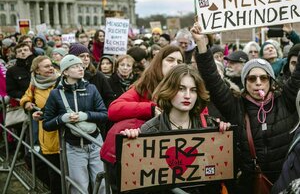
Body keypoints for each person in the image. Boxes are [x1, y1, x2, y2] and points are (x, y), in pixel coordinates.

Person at [190, 21, 300, 194]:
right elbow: (212, 79)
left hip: (286, 181)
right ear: (244, 82)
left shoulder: (285, 100)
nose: (258, 83)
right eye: (251, 78)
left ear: (271, 81)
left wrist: (294, 36)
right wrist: (201, 44)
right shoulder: (236, 107)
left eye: (263, 78)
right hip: (251, 184)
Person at [120, 64, 230, 193]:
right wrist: (132, 143)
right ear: (169, 89)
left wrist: (224, 136)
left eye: (193, 90)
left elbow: (219, 171)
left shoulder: (209, 125)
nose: (188, 95)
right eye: (181, 89)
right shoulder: (150, 130)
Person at [43, 54, 107, 194]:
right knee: (79, 188)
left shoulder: (91, 89)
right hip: (74, 147)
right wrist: (63, 118)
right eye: (75, 66)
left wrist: (86, 115)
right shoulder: (56, 94)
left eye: (80, 65)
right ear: (65, 72)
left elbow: (104, 114)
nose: (81, 68)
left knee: (102, 185)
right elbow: (47, 124)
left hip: (95, 143)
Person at [108, 45, 184, 123]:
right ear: (159, 63)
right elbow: (114, 109)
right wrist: (150, 109)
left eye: (179, 62)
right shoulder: (145, 86)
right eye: (170, 60)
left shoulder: (188, 88)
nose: (175, 65)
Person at [20, 55, 60, 194]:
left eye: (51, 65)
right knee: (52, 170)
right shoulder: (34, 84)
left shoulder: (60, 81)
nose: (51, 68)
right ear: (37, 71)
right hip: (47, 134)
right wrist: (27, 103)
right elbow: (26, 97)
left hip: (63, 132)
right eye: (47, 66)